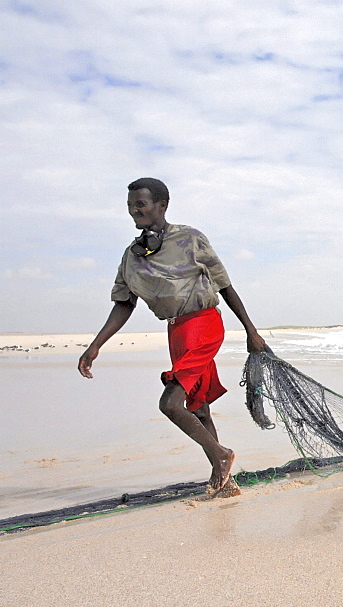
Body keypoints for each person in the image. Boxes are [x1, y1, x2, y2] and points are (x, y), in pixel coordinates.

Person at [78, 178, 267, 498]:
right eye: (130, 206)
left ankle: (222, 456)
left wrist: (251, 330)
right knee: (199, 407)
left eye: (141, 204)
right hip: (176, 331)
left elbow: (224, 285)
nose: (134, 211)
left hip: (204, 324)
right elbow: (124, 303)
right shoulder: (132, 256)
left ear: (162, 205)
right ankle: (225, 483)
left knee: (170, 403)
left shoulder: (190, 238)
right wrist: (96, 345)